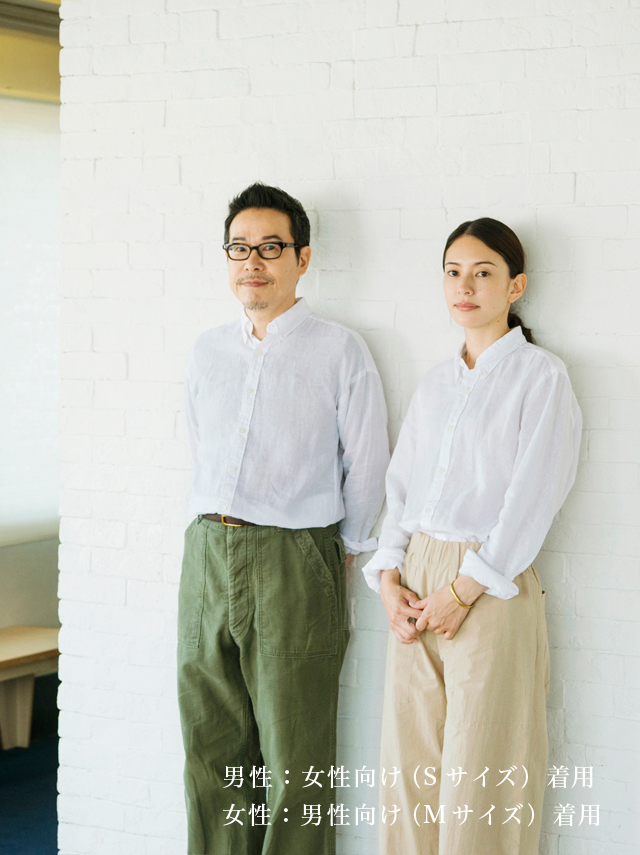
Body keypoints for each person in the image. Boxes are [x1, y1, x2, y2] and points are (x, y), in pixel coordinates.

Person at [177, 182, 389, 855]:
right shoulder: (207, 350)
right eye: (239, 248)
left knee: (295, 757)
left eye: (270, 247)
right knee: (211, 746)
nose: (253, 261)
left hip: (295, 559)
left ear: (302, 258)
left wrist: (340, 551)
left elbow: (369, 463)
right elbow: (198, 447)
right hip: (207, 552)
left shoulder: (339, 350)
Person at [363, 218, 582, 855]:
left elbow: (534, 496)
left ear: (515, 286)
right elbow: (402, 487)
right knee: (409, 769)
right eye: (453, 272)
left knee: (482, 770)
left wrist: (464, 590)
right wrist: (389, 577)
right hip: (416, 576)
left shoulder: (541, 377)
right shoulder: (435, 382)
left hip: (490, 579)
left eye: (483, 273)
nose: (465, 286)